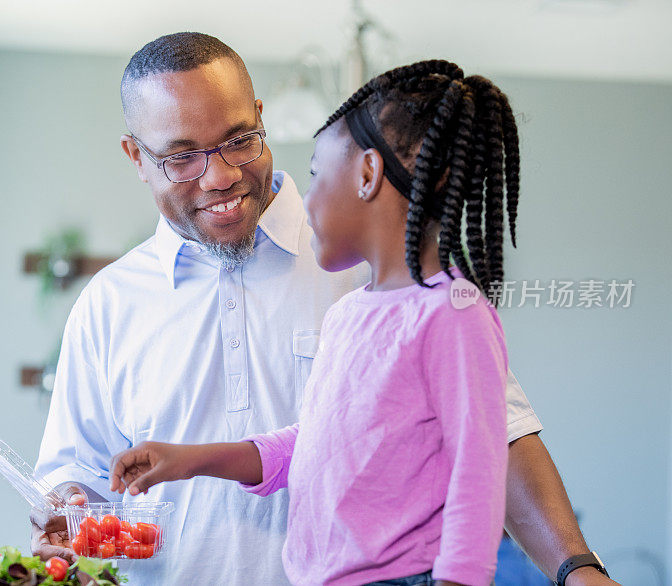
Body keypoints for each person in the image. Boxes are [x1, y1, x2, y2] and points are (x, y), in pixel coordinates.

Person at [31, 33, 616, 586]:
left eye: (239, 140)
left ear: (260, 116)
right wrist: (75, 507)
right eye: (183, 157)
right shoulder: (106, 306)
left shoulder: (394, 274)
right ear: (137, 155)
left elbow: (493, 443)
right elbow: (81, 475)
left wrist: (575, 567)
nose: (222, 175)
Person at [108, 59, 513, 586]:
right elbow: (313, 444)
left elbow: (478, 477)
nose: (305, 198)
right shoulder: (349, 314)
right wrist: (190, 459)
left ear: (367, 175)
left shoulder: (453, 312)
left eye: (319, 173)